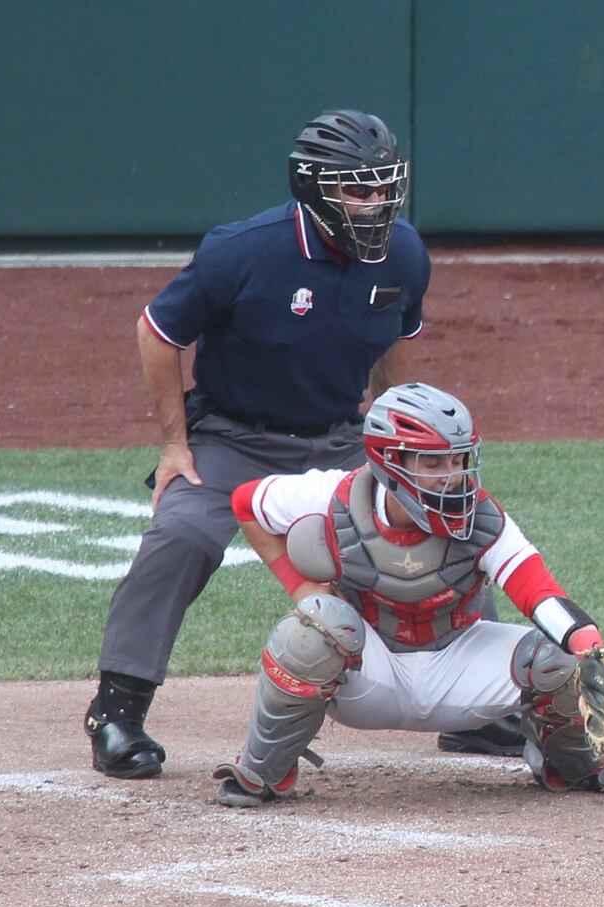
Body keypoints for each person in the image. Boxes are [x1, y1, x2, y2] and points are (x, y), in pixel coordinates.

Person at [83, 109, 521, 782]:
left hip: (342, 436)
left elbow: (398, 336)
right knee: (183, 535)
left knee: (443, 515)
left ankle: (477, 713)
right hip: (233, 435)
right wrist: (176, 445)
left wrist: (391, 415)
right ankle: (118, 710)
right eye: (357, 189)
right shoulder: (243, 250)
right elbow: (157, 331)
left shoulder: (403, 251)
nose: (375, 204)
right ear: (314, 188)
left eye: (382, 188)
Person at [212, 382, 604, 806]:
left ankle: (578, 766)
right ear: (390, 460)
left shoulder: (482, 516)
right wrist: (303, 589)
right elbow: (246, 503)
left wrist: (591, 649)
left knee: (563, 662)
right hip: (369, 675)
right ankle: (262, 770)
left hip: (458, 668)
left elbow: (537, 590)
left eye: (459, 461)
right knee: (311, 629)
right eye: (434, 464)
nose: (452, 476)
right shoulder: (332, 496)